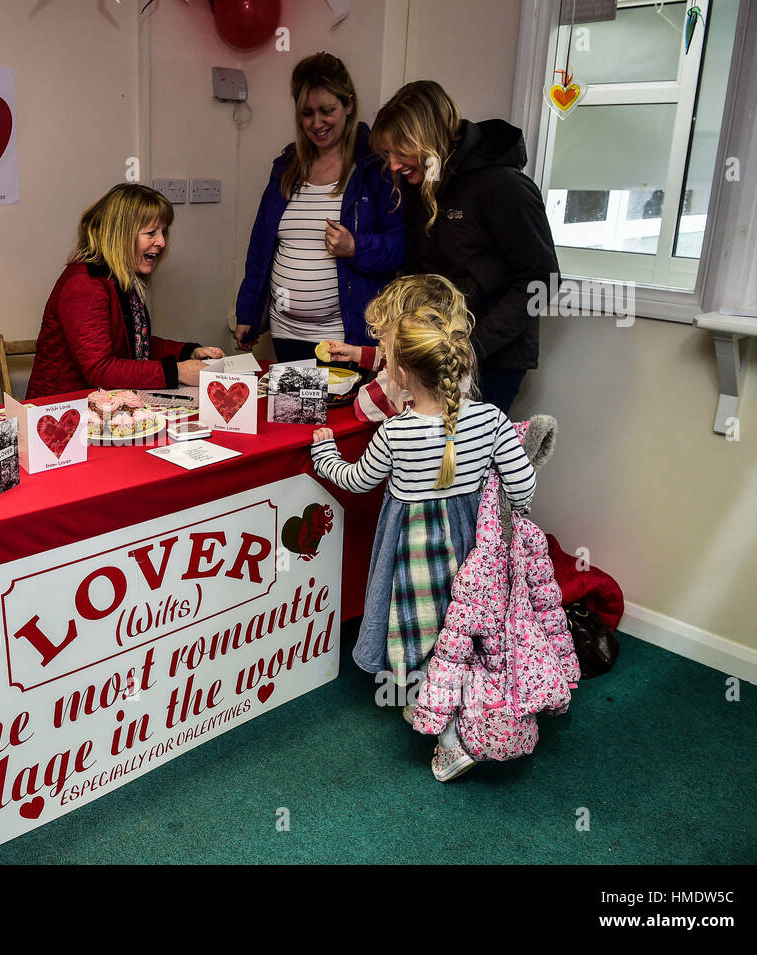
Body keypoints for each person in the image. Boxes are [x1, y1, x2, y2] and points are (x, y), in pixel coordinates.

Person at [309, 274, 536, 781]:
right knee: (468, 633)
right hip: (473, 548)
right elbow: (522, 490)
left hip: (413, 554)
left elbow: (358, 480)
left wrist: (324, 450)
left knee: (421, 631)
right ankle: (476, 708)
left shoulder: (396, 430)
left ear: (404, 375)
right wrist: (497, 507)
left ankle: (447, 729)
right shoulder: (492, 419)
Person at [370, 80, 559, 413]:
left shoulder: (503, 186)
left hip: (492, 359)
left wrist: (472, 347)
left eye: (401, 152)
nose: (394, 165)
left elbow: (542, 281)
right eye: (389, 154)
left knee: (466, 461)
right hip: (438, 353)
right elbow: (420, 273)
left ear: (427, 139)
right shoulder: (422, 189)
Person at [234, 52, 404, 363]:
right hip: (286, 333)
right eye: (307, 113)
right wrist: (248, 312)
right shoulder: (286, 166)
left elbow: (399, 248)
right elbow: (260, 247)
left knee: (344, 412)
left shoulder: (374, 167)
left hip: (346, 338)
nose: (317, 123)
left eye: (327, 110)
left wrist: (356, 246)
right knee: (288, 413)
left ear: (349, 105)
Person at [26, 183, 224, 400]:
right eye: (151, 233)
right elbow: (101, 370)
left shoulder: (120, 278)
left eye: (163, 231)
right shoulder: (86, 284)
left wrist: (187, 352)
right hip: (62, 412)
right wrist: (177, 371)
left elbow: (133, 344)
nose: (161, 242)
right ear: (121, 235)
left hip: (100, 406)